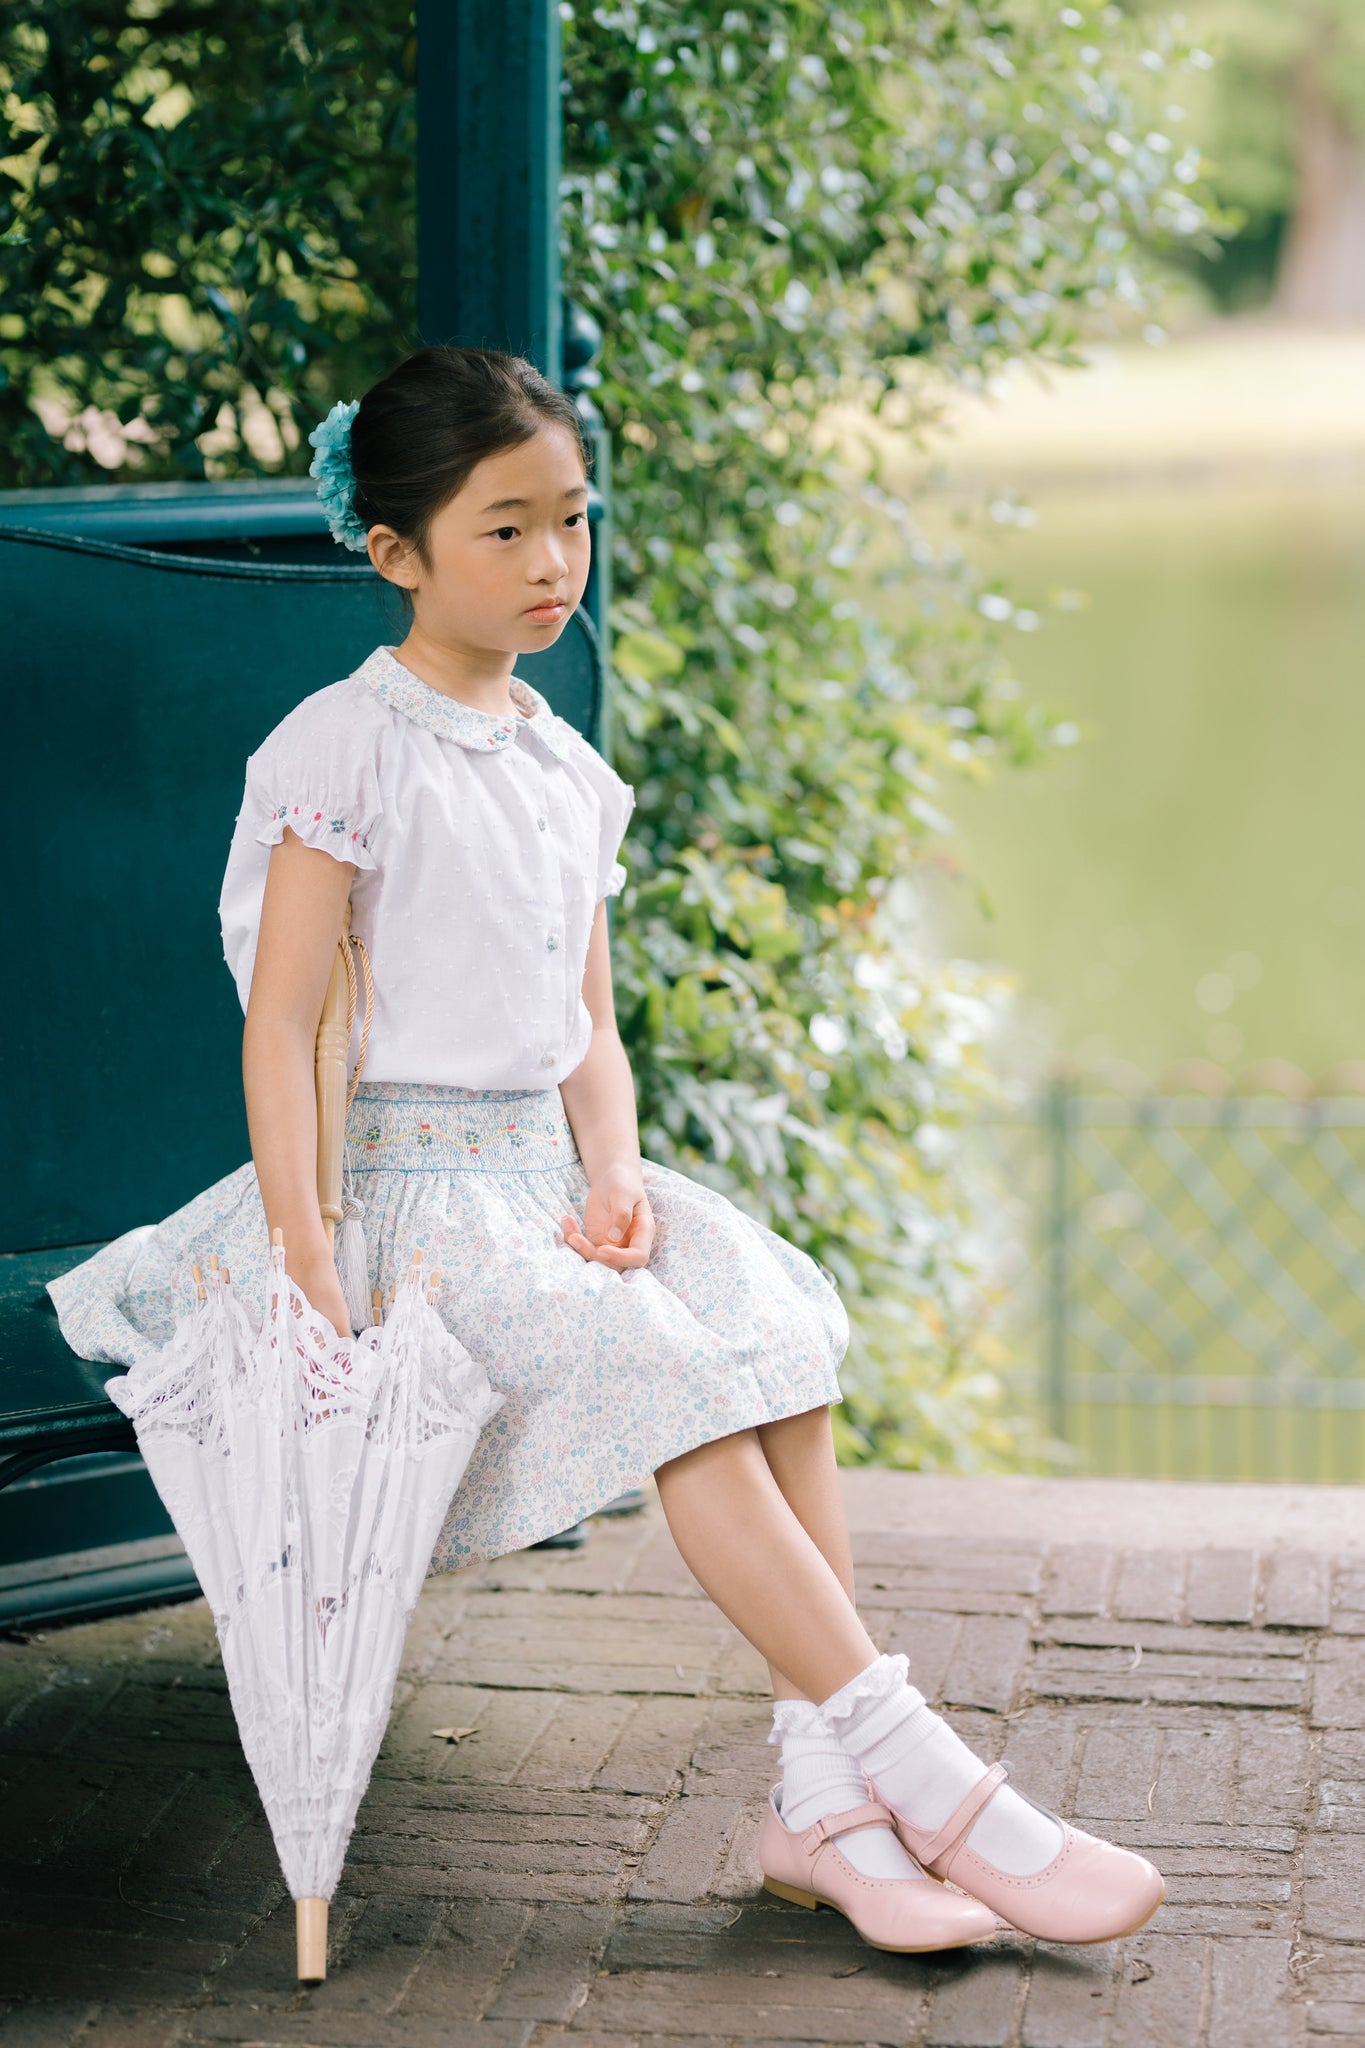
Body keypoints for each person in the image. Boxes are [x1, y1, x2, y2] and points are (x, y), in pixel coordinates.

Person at [48, 344, 1163, 1955]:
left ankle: (820, 1804)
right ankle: (925, 1777)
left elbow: (590, 1027)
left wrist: (619, 1170)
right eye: (501, 529)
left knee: (773, 1333)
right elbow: (281, 1026)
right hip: (389, 1199)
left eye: (567, 521)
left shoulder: (565, 767)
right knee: (679, 1393)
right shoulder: (341, 752)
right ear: (395, 554)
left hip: (537, 1180)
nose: (549, 561)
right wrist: (305, 1250)